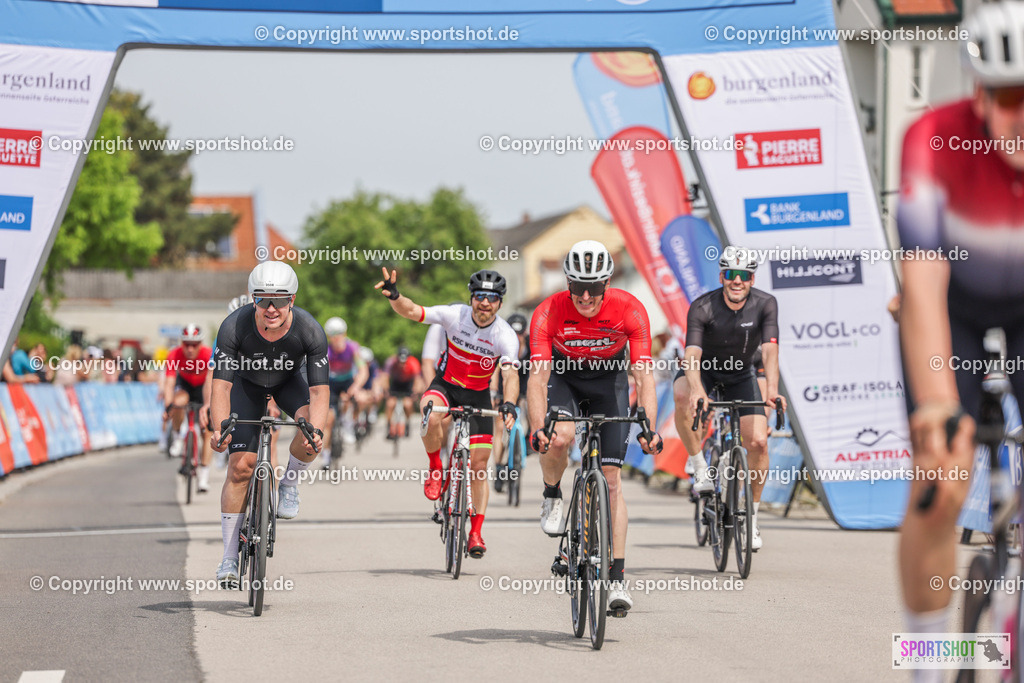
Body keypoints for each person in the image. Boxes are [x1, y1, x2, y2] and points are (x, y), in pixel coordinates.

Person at [896, 1, 1024, 646]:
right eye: (1009, 97)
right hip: (955, 310)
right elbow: (922, 282)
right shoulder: (933, 142)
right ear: (979, 94)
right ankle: (924, 656)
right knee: (942, 481)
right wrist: (940, 403)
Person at [529, 240, 664, 615]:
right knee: (560, 438)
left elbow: (644, 374)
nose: (586, 296)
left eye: (594, 288)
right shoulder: (548, 311)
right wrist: (538, 426)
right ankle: (552, 493)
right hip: (565, 379)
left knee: (612, 479)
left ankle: (617, 578)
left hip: (609, 384)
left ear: (608, 283)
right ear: (567, 283)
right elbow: (538, 378)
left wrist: (648, 426)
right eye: (577, 288)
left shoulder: (630, 310)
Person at [375, 267, 519, 558]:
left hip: (478, 395)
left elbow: (510, 375)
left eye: (492, 298)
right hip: (446, 386)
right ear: (471, 298)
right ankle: (435, 468)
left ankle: (476, 531)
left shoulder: (504, 335)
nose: (485, 304)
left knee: (479, 468)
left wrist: (508, 403)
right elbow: (414, 311)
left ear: (500, 303)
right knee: (428, 412)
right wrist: (395, 296)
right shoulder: (455, 315)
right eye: (480, 297)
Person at [209, 261, 328, 588]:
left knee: (310, 434)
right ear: (252, 299)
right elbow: (220, 386)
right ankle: (230, 557)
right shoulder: (233, 326)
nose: (271, 307)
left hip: (289, 383)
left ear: (292, 299)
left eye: (279, 299)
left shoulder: (309, 329)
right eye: (263, 299)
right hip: (246, 386)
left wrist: (315, 433)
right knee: (241, 468)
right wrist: (218, 429)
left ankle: (289, 484)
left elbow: (318, 392)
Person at [671, 248, 785, 552]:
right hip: (703, 371)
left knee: (759, 443)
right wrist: (697, 390)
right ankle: (698, 466)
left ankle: (752, 518)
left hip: (740, 374)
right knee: (682, 394)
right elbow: (692, 355)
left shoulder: (765, 304)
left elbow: (771, 350)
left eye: (744, 275)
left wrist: (772, 389)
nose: (737, 281)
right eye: (731, 275)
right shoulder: (702, 306)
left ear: (751, 279)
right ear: (722, 276)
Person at [163, 325, 214, 492]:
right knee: (178, 403)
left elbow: (210, 383)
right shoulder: (174, 354)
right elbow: (169, 383)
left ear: (201, 344)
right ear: (181, 343)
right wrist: (168, 407)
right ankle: (178, 436)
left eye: (195, 344)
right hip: (185, 385)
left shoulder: (208, 355)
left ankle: (204, 476)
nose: (190, 349)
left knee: (207, 431)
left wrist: (208, 406)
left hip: (203, 388)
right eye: (186, 344)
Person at [494, 312, 530, 493]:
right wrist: (494, 394)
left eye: (520, 333)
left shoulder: (531, 346)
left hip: (524, 389)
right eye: (514, 333)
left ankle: (529, 441)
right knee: (500, 428)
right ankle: (499, 467)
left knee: (532, 413)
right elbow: (494, 372)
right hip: (503, 389)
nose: (517, 337)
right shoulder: (502, 344)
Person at [322, 317, 368, 461]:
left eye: (340, 334)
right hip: (331, 382)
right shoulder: (325, 349)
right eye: (333, 335)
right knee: (329, 420)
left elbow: (363, 370)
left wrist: (355, 387)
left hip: (348, 380)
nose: (337, 338)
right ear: (329, 336)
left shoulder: (352, 347)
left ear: (345, 333)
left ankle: (349, 424)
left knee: (361, 398)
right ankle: (326, 455)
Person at [382, 345, 422, 439]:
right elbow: (385, 377)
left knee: (408, 404)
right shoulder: (391, 362)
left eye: (404, 362)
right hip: (396, 383)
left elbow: (418, 379)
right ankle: (388, 425)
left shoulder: (413, 362)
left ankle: (407, 422)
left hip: (408, 384)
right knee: (390, 404)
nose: (402, 364)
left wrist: (415, 391)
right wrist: (386, 390)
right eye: (400, 362)